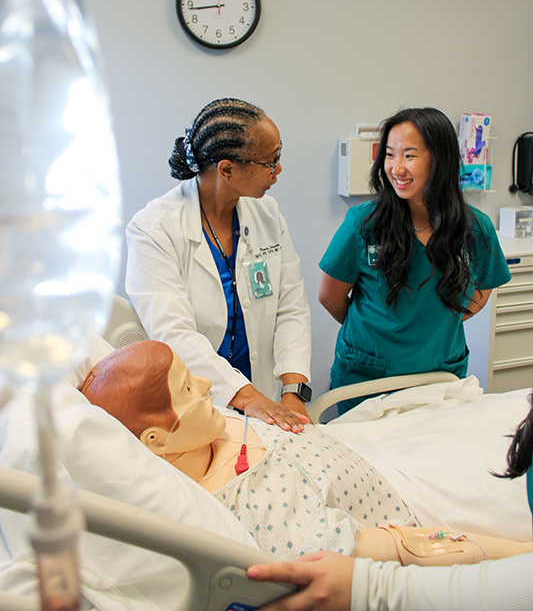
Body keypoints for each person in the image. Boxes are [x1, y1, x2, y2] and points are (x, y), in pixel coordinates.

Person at [80, 340, 530, 565]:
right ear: (156, 442)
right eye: (187, 387)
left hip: (380, 446)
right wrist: (516, 558)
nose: (206, 388)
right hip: (416, 497)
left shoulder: (209, 428)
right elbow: (402, 547)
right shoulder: (251, 506)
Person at [246, 389, 533, 611]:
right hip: (375, 456)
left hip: (390, 473)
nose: (204, 384)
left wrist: (369, 587)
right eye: (197, 384)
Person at [125, 98, 312, 432]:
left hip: (266, 404)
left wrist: (292, 391)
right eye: (271, 161)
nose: (278, 170)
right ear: (227, 170)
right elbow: (173, 333)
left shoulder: (267, 215)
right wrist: (247, 396)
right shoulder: (154, 229)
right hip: (191, 406)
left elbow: (291, 307)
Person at [319, 107, 511, 412]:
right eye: (390, 155)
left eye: (409, 155)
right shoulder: (363, 224)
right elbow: (330, 297)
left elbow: (482, 291)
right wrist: (379, 328)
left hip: (439, 374)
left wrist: (435, 324)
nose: (396, 168)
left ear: (440, 159)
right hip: (368, 375)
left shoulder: (475, 228)